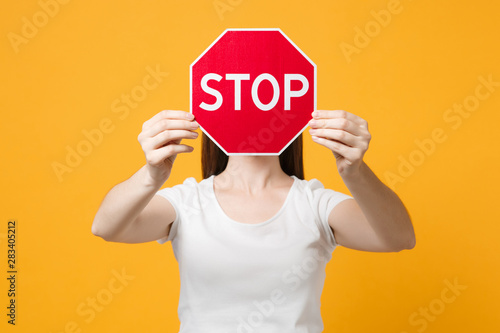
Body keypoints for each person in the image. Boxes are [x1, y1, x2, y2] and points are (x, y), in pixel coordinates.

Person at [92, 109, 415, 332]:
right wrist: (151, 175)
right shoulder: (188, 201)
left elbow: (399, 237)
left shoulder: (314, 203)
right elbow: (106, 227)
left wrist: (355, 173)